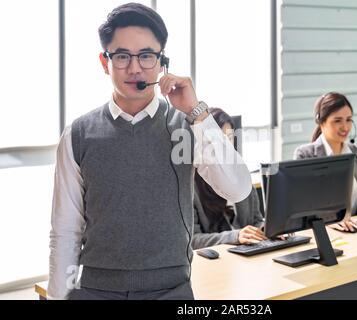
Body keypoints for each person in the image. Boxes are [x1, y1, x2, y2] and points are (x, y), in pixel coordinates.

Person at [48, 3, 251, 300]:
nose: (134, 68)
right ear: (105, 62)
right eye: (121, 56)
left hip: (171, 290)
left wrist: (198, 113)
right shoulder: (78, 134)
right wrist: (58, 297)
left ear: (161, 62)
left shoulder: (186, 125)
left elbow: (237, 188)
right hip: (95, 289)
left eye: (146, 55)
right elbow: (65, 231)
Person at [293, 92, 357, 233]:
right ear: (321, 121)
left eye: (348, 120)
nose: (345, 127)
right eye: (337, 121)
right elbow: (303, 207)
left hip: (356, 229)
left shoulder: (355, 152)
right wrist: (330, 220)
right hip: (323, 233)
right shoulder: (305, 155)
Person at [192, 108, 266, 249]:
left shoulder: (242, 177)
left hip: (249, 255)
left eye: (229, 139)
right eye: (220, 140)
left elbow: (257, 221)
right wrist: (236, 236)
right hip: (217, 261)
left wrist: (266, 231)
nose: (225, 146)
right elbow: (193, 240)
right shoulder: (190, 186)